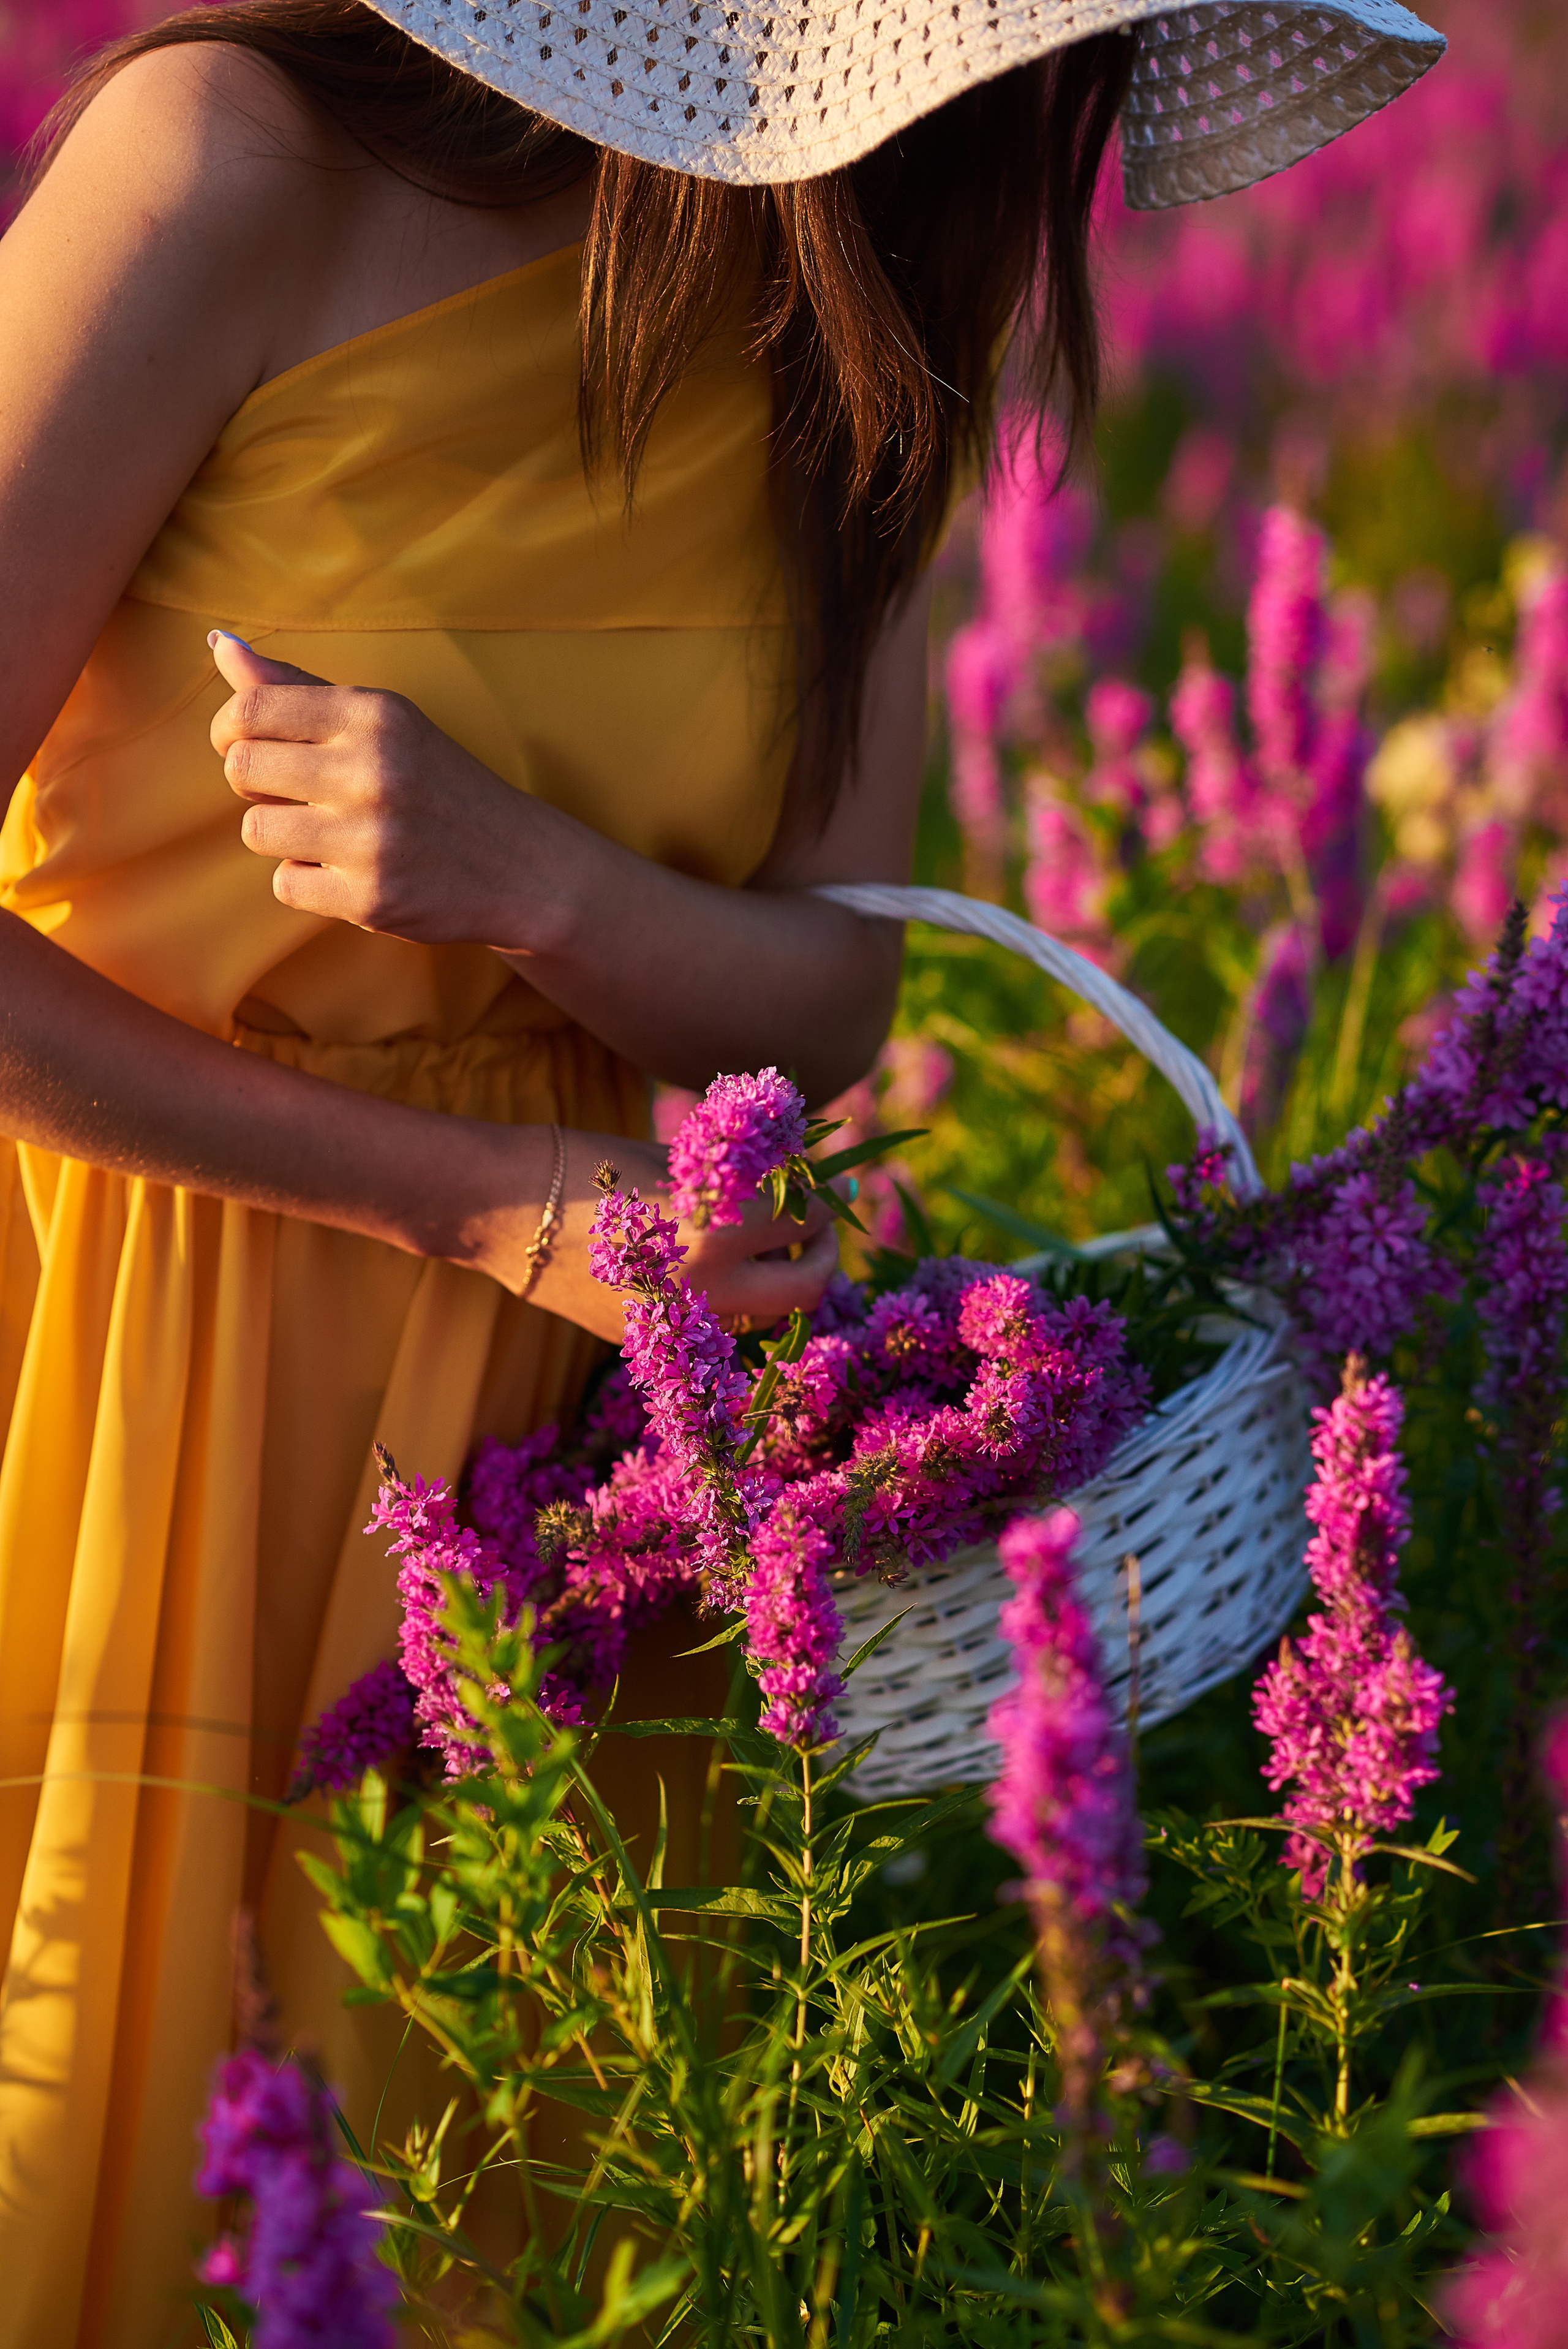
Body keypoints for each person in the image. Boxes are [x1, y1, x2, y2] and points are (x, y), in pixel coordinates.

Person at [0, 0, 1441, 2338]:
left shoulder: (867, 336)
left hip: (592, 1490)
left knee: (519, 2221)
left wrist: (526, 881)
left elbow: (828, 995)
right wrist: (471, 1197)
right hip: (135, 1377)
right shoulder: (227, 163)